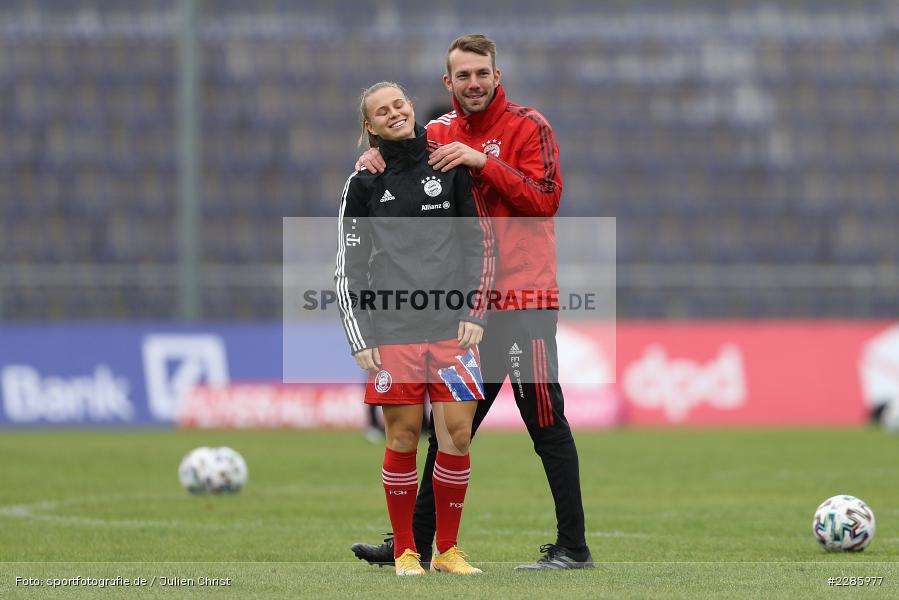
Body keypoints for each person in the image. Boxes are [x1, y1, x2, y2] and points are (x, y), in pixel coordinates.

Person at [351, 35, 593, 571]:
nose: (474, 83)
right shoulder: (438, 131)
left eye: (482, 73)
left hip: (521, 301)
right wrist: (374, 154)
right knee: (452, 430)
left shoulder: (529, 126)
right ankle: (411, 544)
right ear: (449, 82)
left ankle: (573, 547)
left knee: (544, 418)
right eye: (463, 75)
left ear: (497, 76)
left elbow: (546, 199)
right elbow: (399, 153)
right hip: (459, 312)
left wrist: (483, 163)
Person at [336, 81, 495, 576]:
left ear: (410, 107)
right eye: (382, 111)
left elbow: (479, 246)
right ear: (370, 126)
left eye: (399, 104)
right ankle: (406, 551)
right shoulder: (363, 183)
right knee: (403, 437)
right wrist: (361, 335)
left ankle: (447, 551)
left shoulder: (448, 164)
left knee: (458, 436)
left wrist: (475, 311)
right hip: (394, 330)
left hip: (452, 328)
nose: (395, 113)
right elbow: (348, 268)